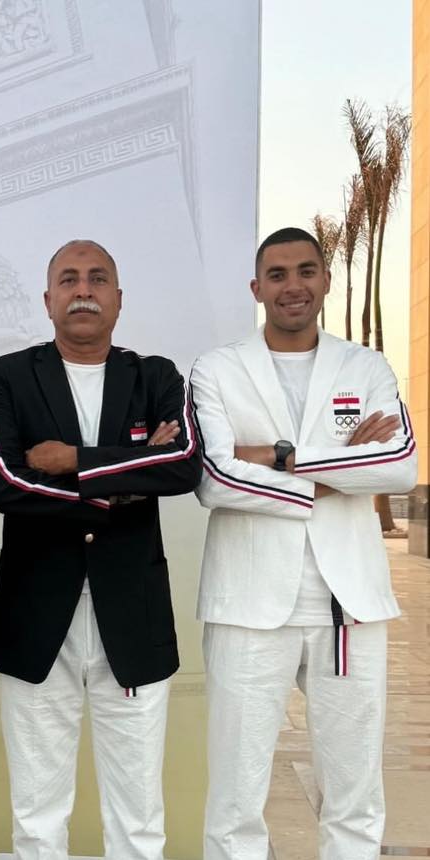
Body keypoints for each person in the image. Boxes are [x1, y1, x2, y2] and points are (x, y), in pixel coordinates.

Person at [189, 227, 417, 860]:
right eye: (279, 274)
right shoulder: (217, 368)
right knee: (236, 797)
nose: (294, 286)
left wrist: (279, 457)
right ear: (257, 288)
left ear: (325, 280)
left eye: (306, 271)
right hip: (247, 605)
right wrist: (337, 474)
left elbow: (398, 466)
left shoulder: (366, 367)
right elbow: (214, 477)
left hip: (349, 606)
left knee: (355, 793)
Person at [0, 239, 201, 860]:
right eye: (69, 279)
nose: (83, 290)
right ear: (47, 299)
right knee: (37, 813)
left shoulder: (155, 376)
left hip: (132, 615)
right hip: (34, 615)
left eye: (97, 278)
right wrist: (126, 479)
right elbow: (7, 483)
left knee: (138, 816)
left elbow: (182, 465)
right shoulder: (10, 375)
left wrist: (72, 460)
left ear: (119, 299)